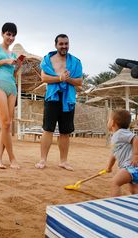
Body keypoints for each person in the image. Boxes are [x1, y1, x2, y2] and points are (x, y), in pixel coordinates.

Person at [35, 34, 83, 171]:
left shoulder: (75, 62)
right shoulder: (48, 60)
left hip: (68, 98)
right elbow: (44, 78)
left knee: (65, 131)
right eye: (61, 44)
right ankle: (43, 160)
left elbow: (79, 81)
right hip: (52, 97)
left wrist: (66, 79)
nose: (64, 46)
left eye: (66, 43)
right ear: (55, 45)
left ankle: (63, 161)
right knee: (48, 129)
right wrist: (60, 78)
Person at [0, 22, 24, 169]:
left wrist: (17, 67)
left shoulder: (13, 54)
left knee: (6, 125)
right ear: (2, 34)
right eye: (8, 34)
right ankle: (12, 158)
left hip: (11, 87)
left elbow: (11, 74)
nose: (11, 37)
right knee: (6, 122)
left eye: (13, 35)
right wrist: (5, 61)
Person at [105, 110, 138, 196]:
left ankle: (115, 204)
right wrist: (109, 167)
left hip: (131, 167)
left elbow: (135, 138)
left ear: (113, 122)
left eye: (109, 119)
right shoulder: (117, 136)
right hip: (137, 168)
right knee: (134, 189)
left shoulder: (120, 133)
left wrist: (136, 155)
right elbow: (114, 154)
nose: (107, 121)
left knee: (114, 183)